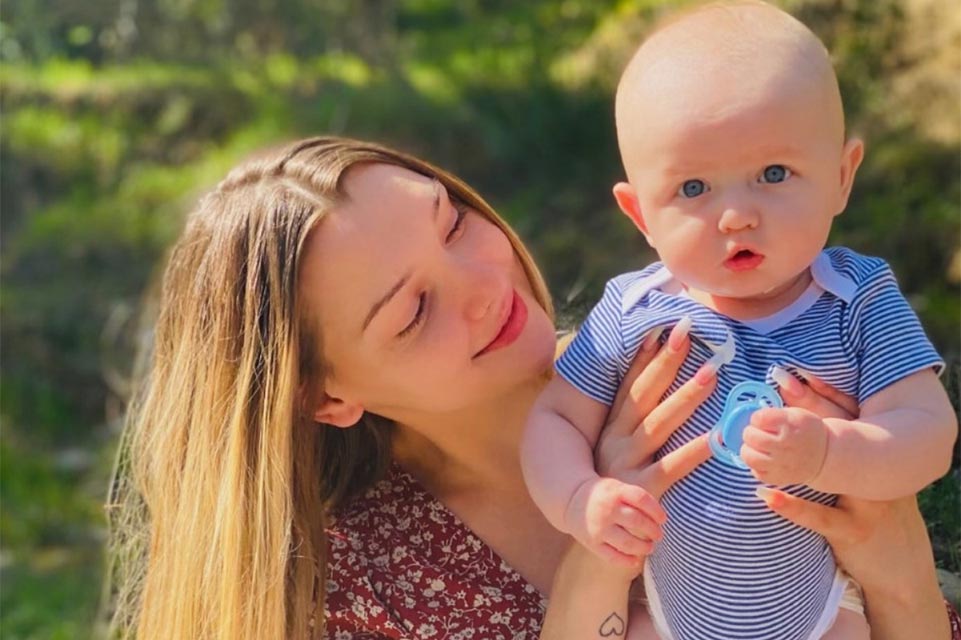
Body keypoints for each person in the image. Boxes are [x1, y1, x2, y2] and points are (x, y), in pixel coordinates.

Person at [105, 136, 958, 640]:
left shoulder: (700, 352)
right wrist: (597, 554)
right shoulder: (365, 592)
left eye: (453, 222)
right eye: (411, 312)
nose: (486, 284)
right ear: (324, 398)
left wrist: (902, 580)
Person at [521, 2, 958, 640]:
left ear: (841, 177)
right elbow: (556, 418)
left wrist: (833, 453)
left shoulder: (857, 298)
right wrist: (579, 498)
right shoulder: (632, 308)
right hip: (671, 611)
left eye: (773, 174)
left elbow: (927, 432)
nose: (736, 216)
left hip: (817, 608)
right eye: (694, 189)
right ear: (640, 215)